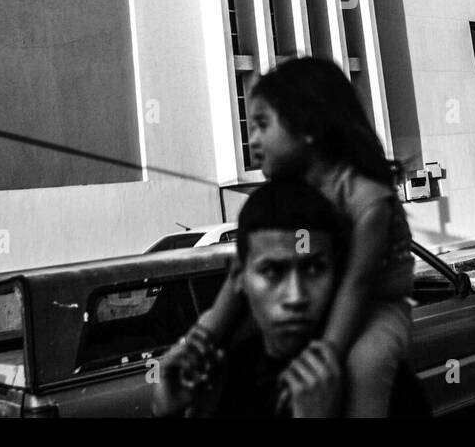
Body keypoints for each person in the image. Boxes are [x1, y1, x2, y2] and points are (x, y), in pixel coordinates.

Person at [191, 57, 415, 417]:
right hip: (326, 297)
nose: (252, 140)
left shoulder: (366, 198)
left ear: (308, 127)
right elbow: (241, 273)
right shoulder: (292, 193)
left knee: (365, 364)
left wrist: (326, 353)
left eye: (262, 125)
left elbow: (358, 284)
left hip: (378, 303)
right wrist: (206, 335)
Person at [153, 178, 348, 417]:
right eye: (272, 272)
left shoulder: (366, 374)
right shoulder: (223, 378)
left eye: (314, 269)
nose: (296, 297)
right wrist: (167, 412)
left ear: (337, 273)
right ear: (239, 275)